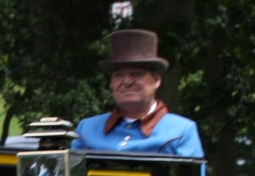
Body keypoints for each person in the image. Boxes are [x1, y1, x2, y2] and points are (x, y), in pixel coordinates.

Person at [73, 28, 204, 157]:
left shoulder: (180, 132)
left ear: (156, 80)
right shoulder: (87, 129)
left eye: (136, 74)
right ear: (111, 83)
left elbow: (189, 172)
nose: (127, 81)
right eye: (119, 75)